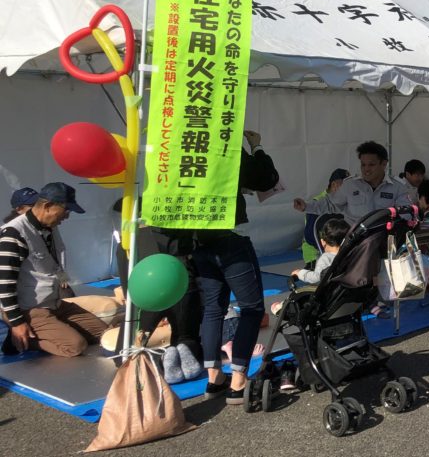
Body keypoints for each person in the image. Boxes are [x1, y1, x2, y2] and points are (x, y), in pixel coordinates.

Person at [194, 130, 280, 404]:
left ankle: (214, 377)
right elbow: (264, 178)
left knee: (213, 308)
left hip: (198, 238)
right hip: (230, 237)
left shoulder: (186, 143)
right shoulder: (223, 140)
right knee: (252, 308)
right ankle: (239, 378)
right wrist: (256, 146)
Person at [0, 183, 113, 357]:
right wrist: (17, 322)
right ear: (47, 206)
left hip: (54, 303)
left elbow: (53, 262)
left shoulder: (49, 227)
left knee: (103, 334)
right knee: (76, 346)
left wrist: (63, 285)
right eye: (65, 210)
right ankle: (21, 340)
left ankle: (53, 328)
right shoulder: (13, 234)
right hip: (29, 309)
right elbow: (4, 284)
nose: (67, 216)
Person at [111, 197, 203, 384]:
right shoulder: (181, 231)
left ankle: (149, 362)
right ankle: (180, 352)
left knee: (128, 345)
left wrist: (131, 300)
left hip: (146, 294)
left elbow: (126, 275)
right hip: (182, 287)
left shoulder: (128, 243)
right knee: (187, 337)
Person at [293, 142, 411, 225]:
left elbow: (406, 215)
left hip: (385, 240)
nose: (366, 169)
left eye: (371, 165)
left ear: (384, 164)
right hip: (355, 242)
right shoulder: (350, 185)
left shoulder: (398, 187)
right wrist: (306, 206)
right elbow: (331, 204)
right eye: (363, 165)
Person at [296, 168, 349, 266]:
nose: (349, 189)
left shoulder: (342, 200)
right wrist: (331, 248)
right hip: (315, 255)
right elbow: (310, 235)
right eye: (345, 186)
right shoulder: (318, 202)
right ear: (334, 185)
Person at [291, 218, 349, 285]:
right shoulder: (350, 252)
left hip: (332, 288)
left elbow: (316, 277)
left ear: (322, 242)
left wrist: (300, 273)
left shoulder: (326, 258)